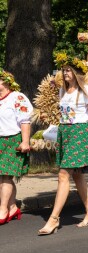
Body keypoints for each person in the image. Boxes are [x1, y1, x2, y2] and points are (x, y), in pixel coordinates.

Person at [38, 60, 88, 235]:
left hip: (79, 132)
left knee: (63, 174)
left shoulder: (85, 90)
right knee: (77, 175)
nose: (65, 73)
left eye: (69, 70)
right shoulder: (63, 90)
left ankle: (54, 219)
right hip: (65, 133)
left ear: (77, 72)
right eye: (64, 71)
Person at [0, 70, 32, 225]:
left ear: (7, 82)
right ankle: (12, 207)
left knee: (6, 175)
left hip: (12, 140)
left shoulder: (17, 97)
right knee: (2, 176)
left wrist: (25, 142)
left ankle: (3, 209)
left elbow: (25, 121)